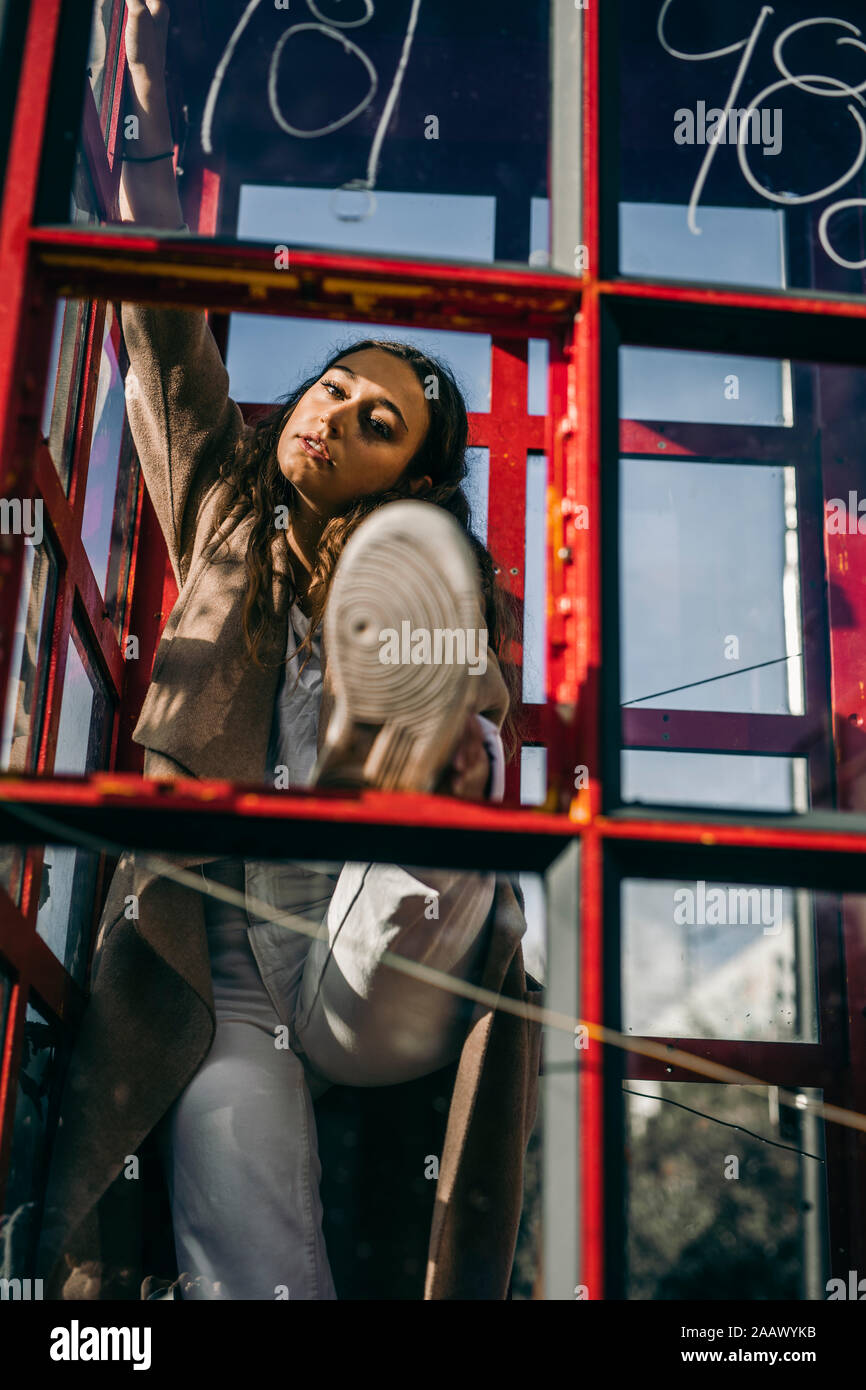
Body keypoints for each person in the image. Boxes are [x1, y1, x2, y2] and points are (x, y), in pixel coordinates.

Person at [35, 0, 542, 1302]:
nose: (327, 410)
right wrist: (145, 117)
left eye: (372, 416)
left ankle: (445, 815)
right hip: (231, 978)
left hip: (376, 954)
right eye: (328, 383)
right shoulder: (224, 512)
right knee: (230, 1200)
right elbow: (160, 324)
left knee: (428, 827)